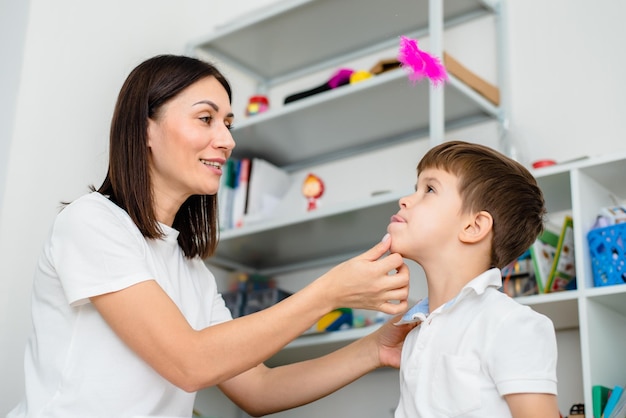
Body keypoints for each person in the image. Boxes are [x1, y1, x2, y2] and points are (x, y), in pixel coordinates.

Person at [8, 54, 414, 418]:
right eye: (206, 118)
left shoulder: (191, 269)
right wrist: (329, 293)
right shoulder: (91, 223)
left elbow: (258, 389)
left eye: (228, 123)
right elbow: (190, 363)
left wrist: (374, 349)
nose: (228, 140)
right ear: (145, 129)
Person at [387, 140, 559, 417]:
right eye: (415, 187)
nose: (404, 200)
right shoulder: (416, 331)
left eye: (429, 189)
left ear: (473, 226)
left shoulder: (512, 324)